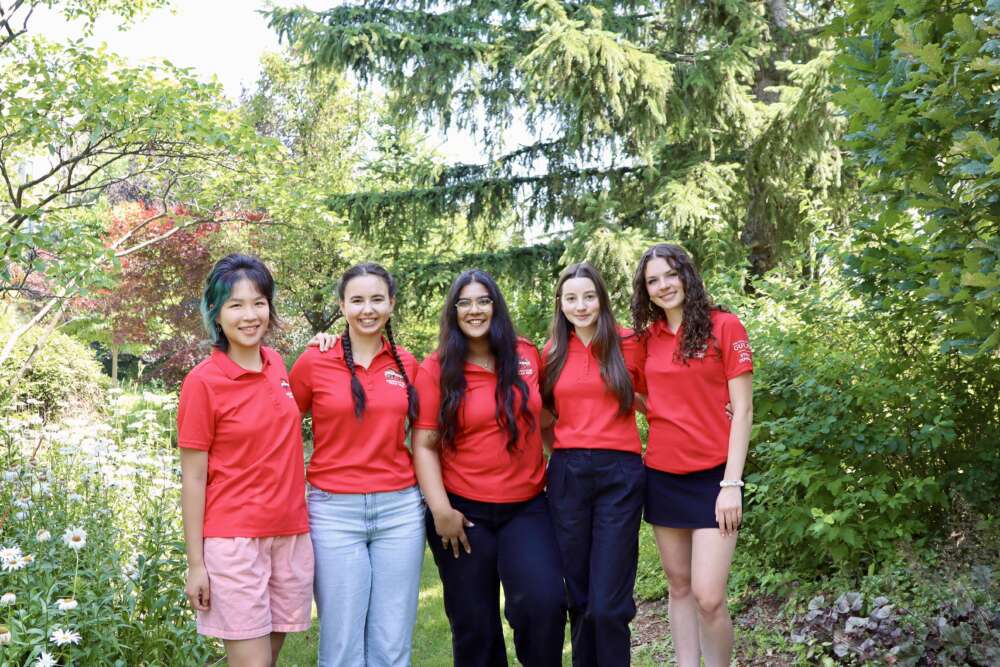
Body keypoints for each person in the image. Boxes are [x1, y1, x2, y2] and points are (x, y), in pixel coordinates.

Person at [412, 269, 567, 667]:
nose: (474, 309)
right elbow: (424, 445)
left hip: (527, 506)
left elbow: (552, 414)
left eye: (483, 300)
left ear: (496, 306)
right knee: (474, 626)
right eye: (464, 302)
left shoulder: (526, 355)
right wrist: (442, 511)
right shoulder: (437, 368)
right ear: (453, 311)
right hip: (463, 513)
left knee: (544, 604)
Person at [178, 254, 313, 667]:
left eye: (258, 302)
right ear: (216, 315)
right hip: (235, 541)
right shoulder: (203, 382)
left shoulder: (276, 365)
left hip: (289, 535)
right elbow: (193, 477)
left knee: (266, 661)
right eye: (236, 305)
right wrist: (196, 564)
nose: (249, 315)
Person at [289, 263, 424, 667]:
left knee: (392, 638)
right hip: (334, 512)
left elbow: (425, 435)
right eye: (357, 300)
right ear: (343, 305)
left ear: (392, 304)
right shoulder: (315, 360)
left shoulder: (406, 363)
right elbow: (281, 425)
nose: (368, 309)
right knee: (343, 640)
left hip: (400, 510)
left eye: (377, 299)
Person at [631, 244, 753, 667]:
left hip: (716, 479)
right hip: (662, 476)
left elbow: (744, 410)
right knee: (679, 586)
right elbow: (633, 391)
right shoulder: (647, 340)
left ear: (687, 274)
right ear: (645, 290)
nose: (663, 285)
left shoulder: (725, 326)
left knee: (709, 595)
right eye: (653, 280)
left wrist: (731, 484)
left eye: (670, 274)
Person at [540, 262, 645, 666]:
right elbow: (545, 421)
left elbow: (658, 397)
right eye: (571, 298)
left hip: (619, 475)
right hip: (568, 474)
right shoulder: (552, 351)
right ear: (561, 304)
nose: (580, 306)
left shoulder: (629, 343)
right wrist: (563, 457)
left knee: (608, 604)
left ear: (601, 299)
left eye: (588, 296)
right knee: (579, 597)